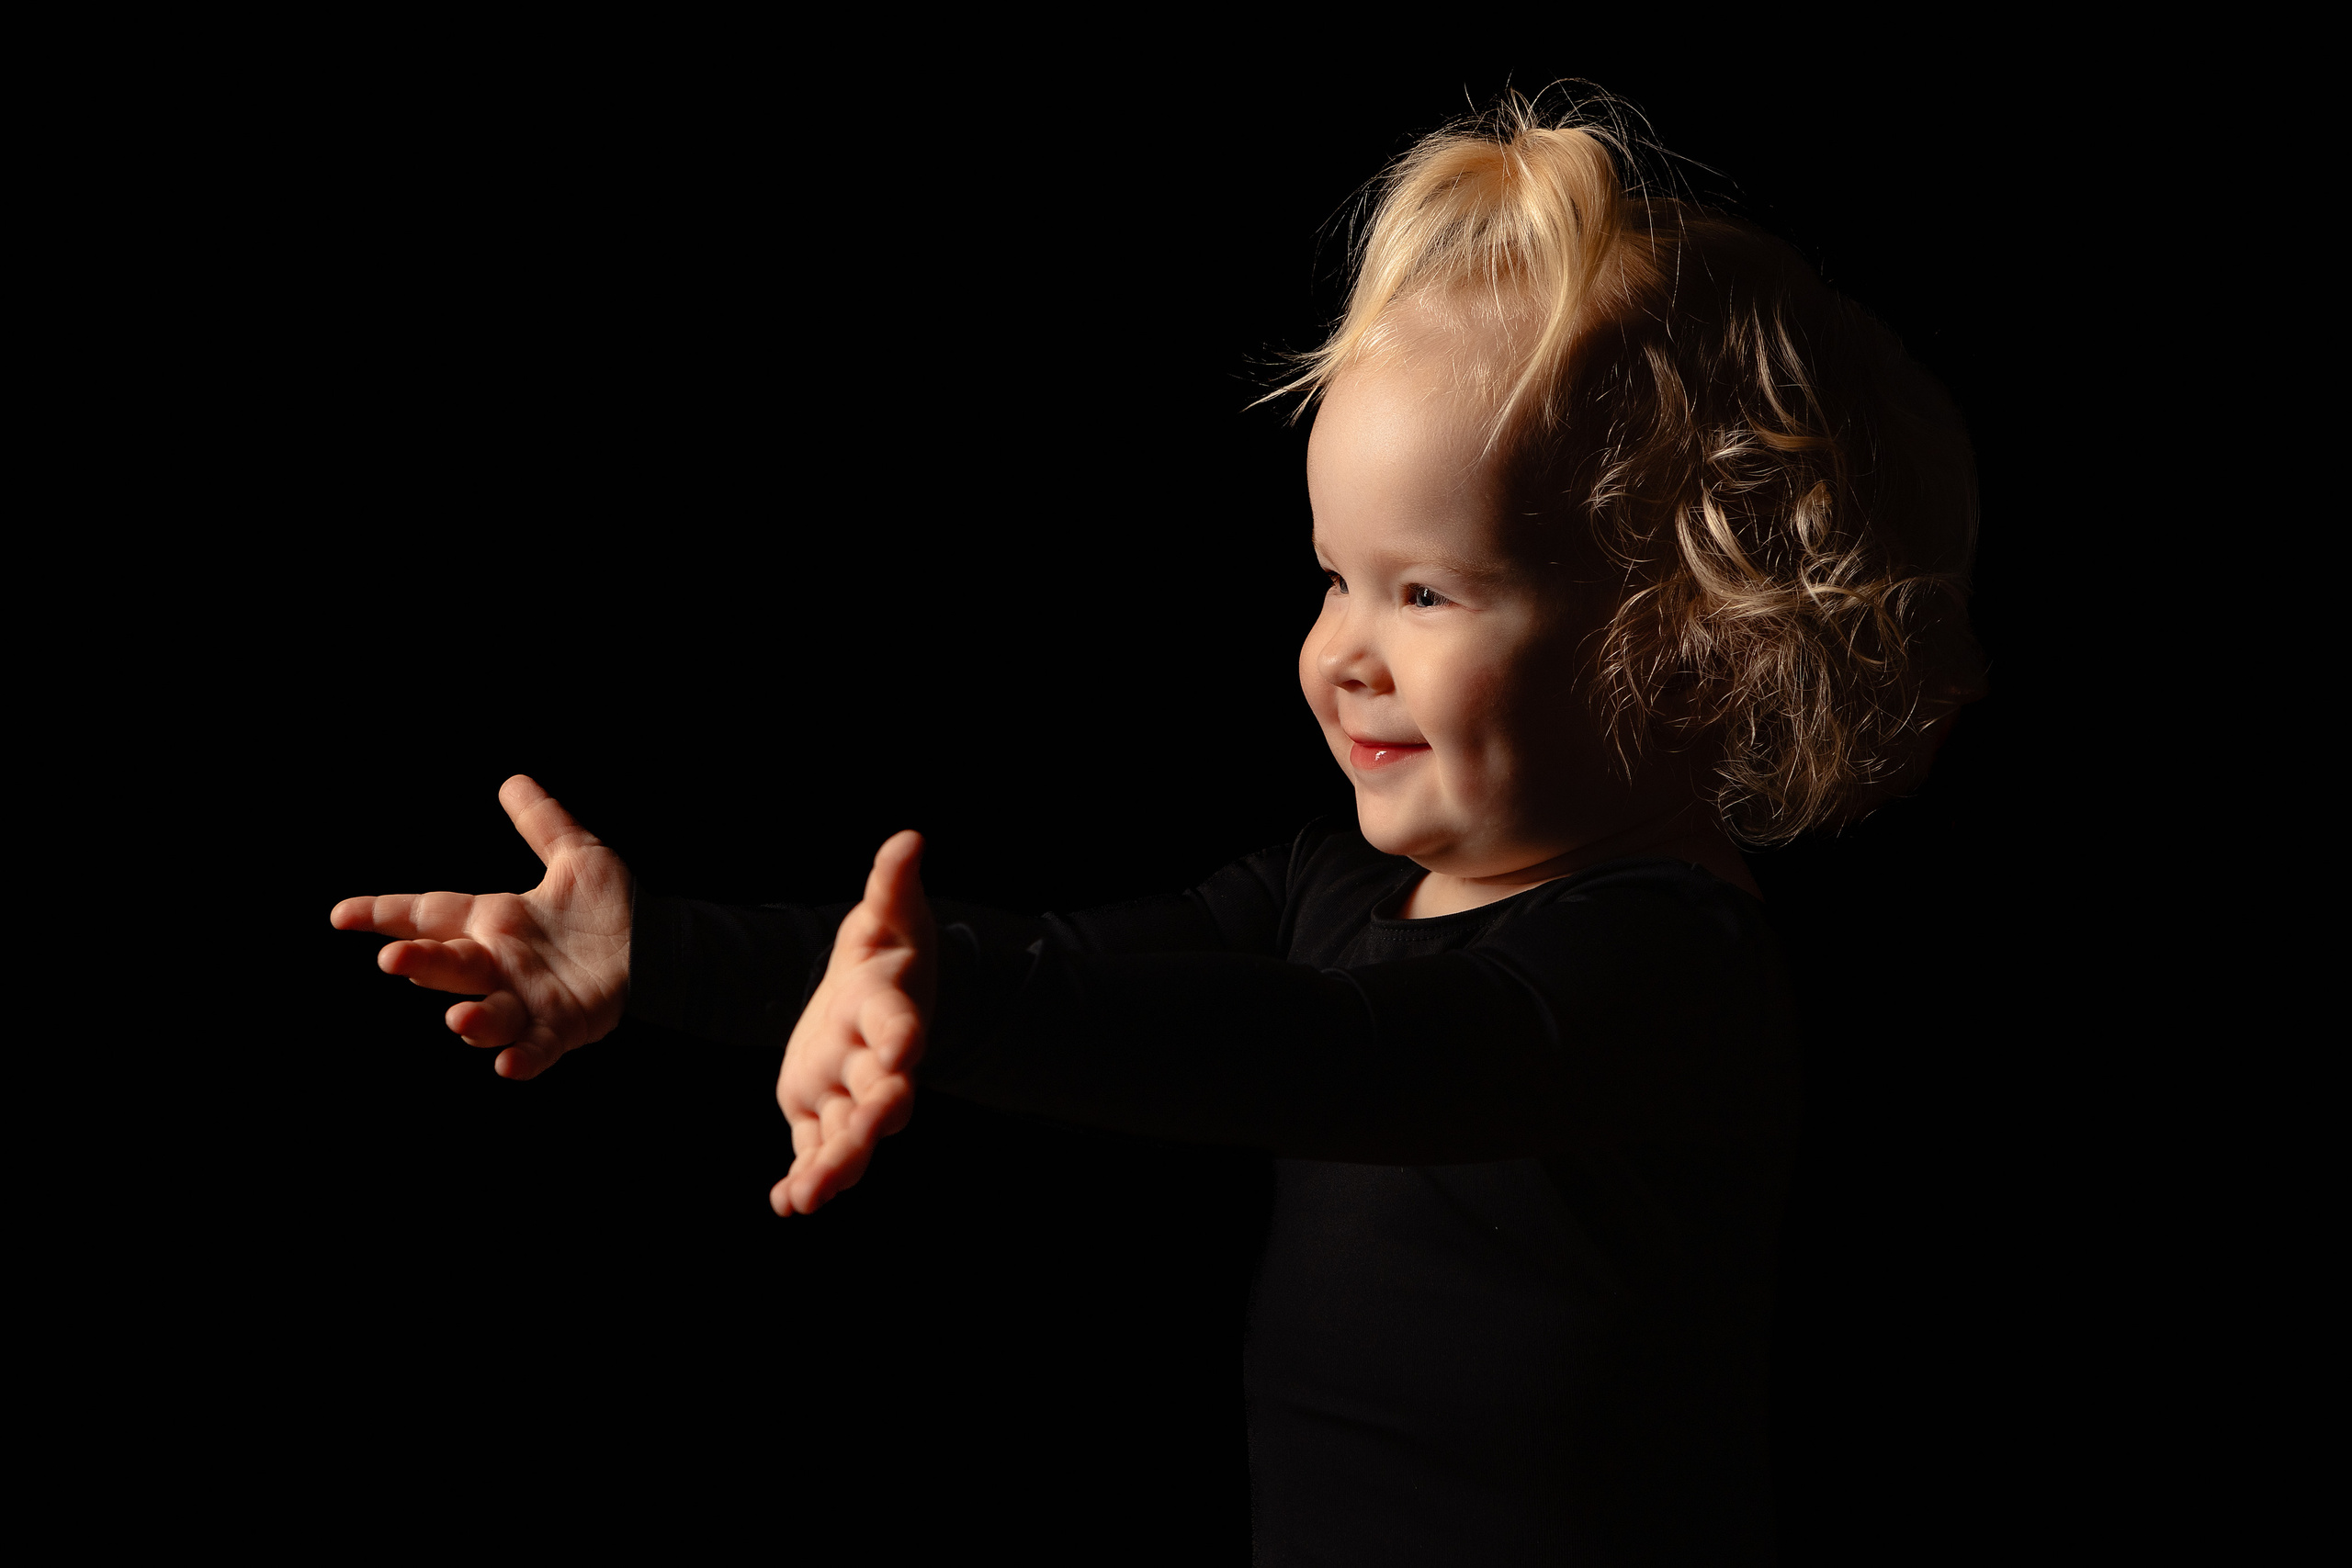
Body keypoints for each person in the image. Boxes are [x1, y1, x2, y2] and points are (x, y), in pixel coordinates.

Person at [332, 96, 1982, 1564]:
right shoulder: (1326, 890)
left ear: (1687, 634)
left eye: (1426, 591)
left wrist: (966, 1007)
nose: (1345, 650)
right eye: (1333, 577)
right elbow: (1021, 969)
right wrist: (669, 960)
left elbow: (1333, 1053)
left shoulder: (1657, 972)